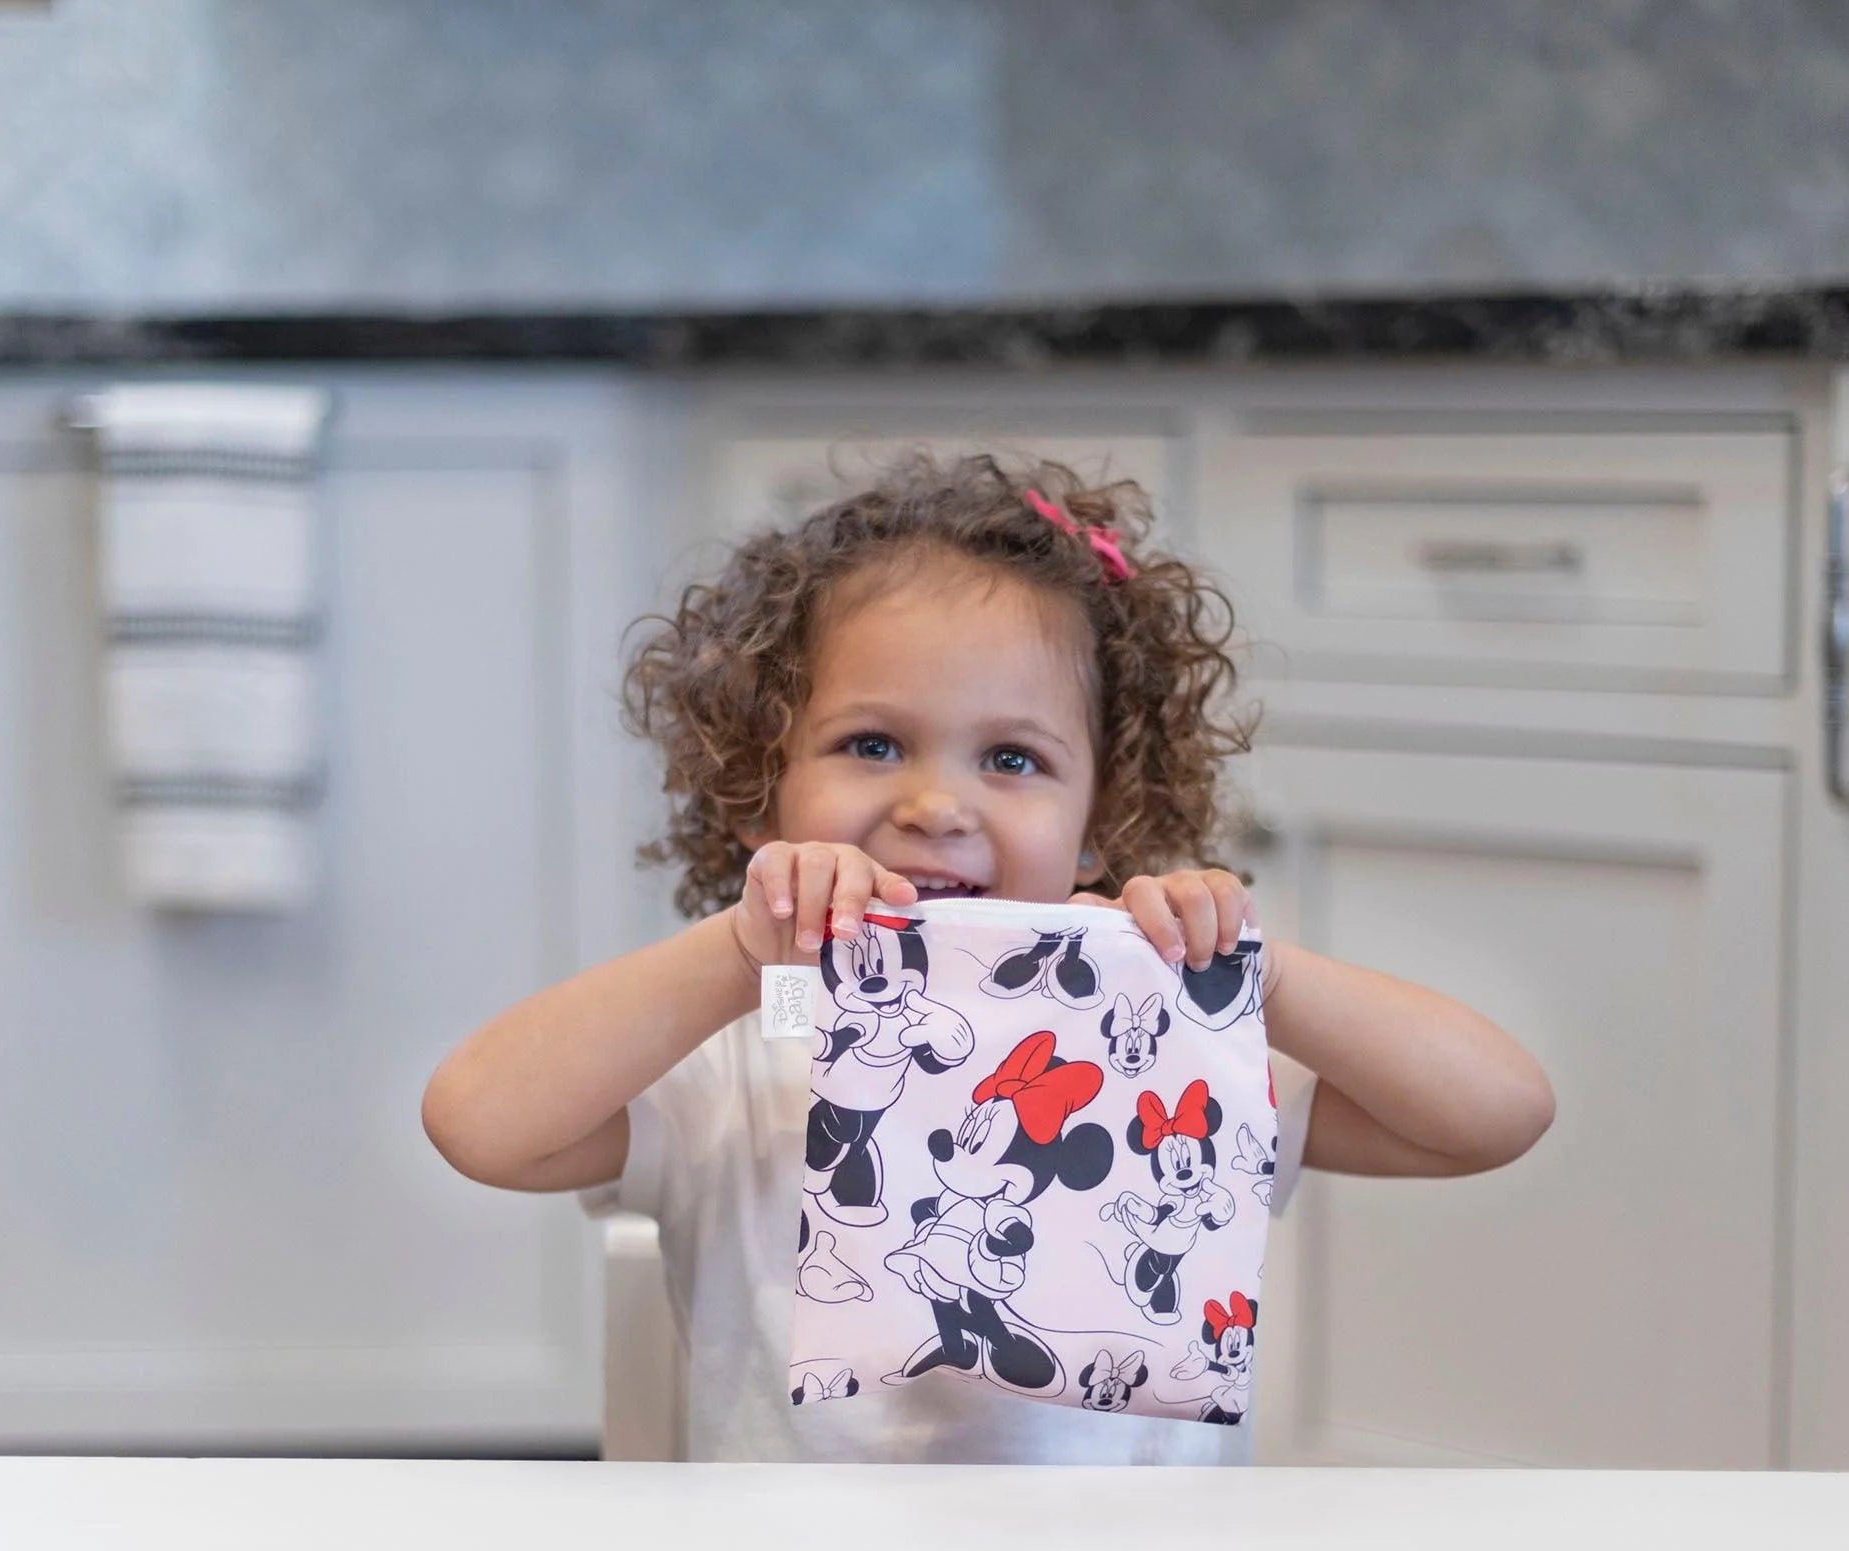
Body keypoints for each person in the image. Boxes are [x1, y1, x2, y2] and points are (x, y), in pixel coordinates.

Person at [422, 451, 1555, 1462]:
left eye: (1011, 757)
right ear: (757, 792)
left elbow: (1495, 1112)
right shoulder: (738, 1049)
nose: (934, 802)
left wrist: (1252, 970)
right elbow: (478, 1120)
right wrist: (738, 951)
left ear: (1102, 815)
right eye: (871, 744)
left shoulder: (1161, 1045)